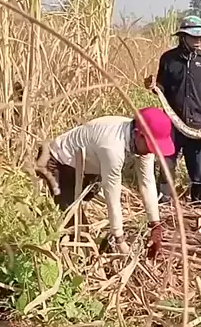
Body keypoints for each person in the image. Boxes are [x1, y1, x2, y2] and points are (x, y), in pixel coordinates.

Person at [35, 108, 175, 257]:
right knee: (77, 226)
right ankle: (70, 256)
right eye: (151, 146)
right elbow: (112, 196)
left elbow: (147, 182)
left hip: (86, 165)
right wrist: (120, 240)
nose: (151, 151)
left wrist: (155, 226)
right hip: (56, 161)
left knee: (84, 202)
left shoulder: (142, 141)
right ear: (137, 134)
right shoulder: (112, 147)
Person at [146, 15, 201, 203]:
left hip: (197, 124)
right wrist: (154, 87)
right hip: (171, 124)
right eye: (194, 37)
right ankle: (164, 202)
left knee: (198, 170)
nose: (199, 40)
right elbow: (161, 87)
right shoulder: (168, 59)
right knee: (167, 164)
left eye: (200, 37)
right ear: (182, 37)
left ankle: (198, 204)